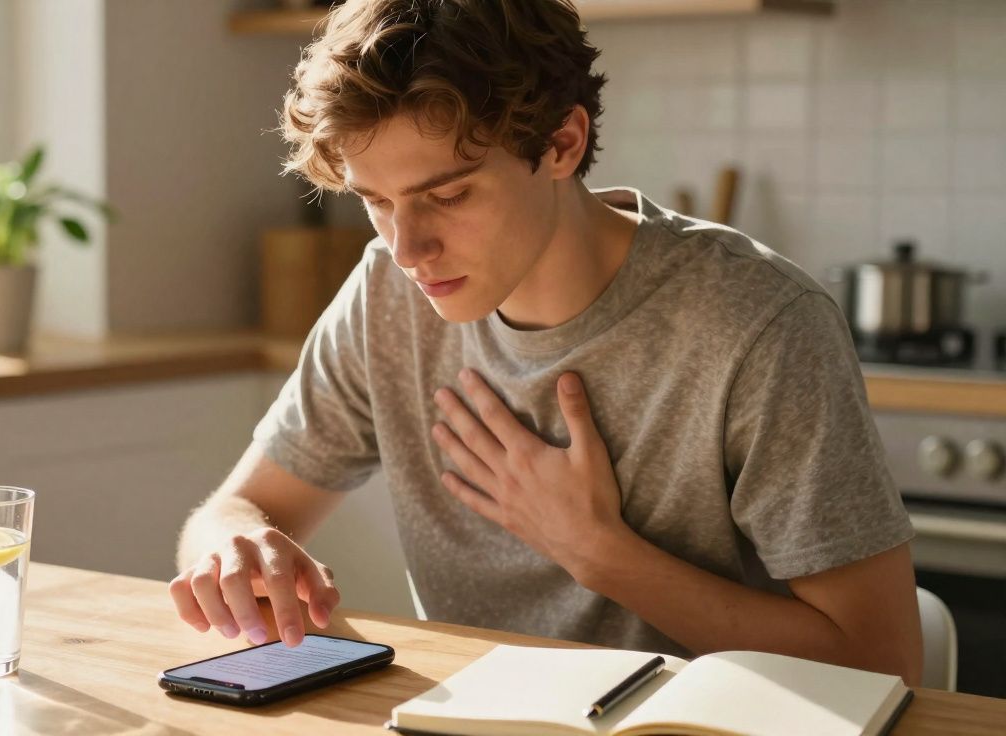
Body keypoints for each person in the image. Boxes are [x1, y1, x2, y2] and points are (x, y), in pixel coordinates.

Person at [170, 0, 922, 683]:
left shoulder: (759, 323)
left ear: (562, 142)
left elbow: (883, 661)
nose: (408, 248)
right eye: (376, 203)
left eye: (449, 195)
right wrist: (233, 545)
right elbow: (234, 509)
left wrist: (600, 553)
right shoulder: (385, 294)